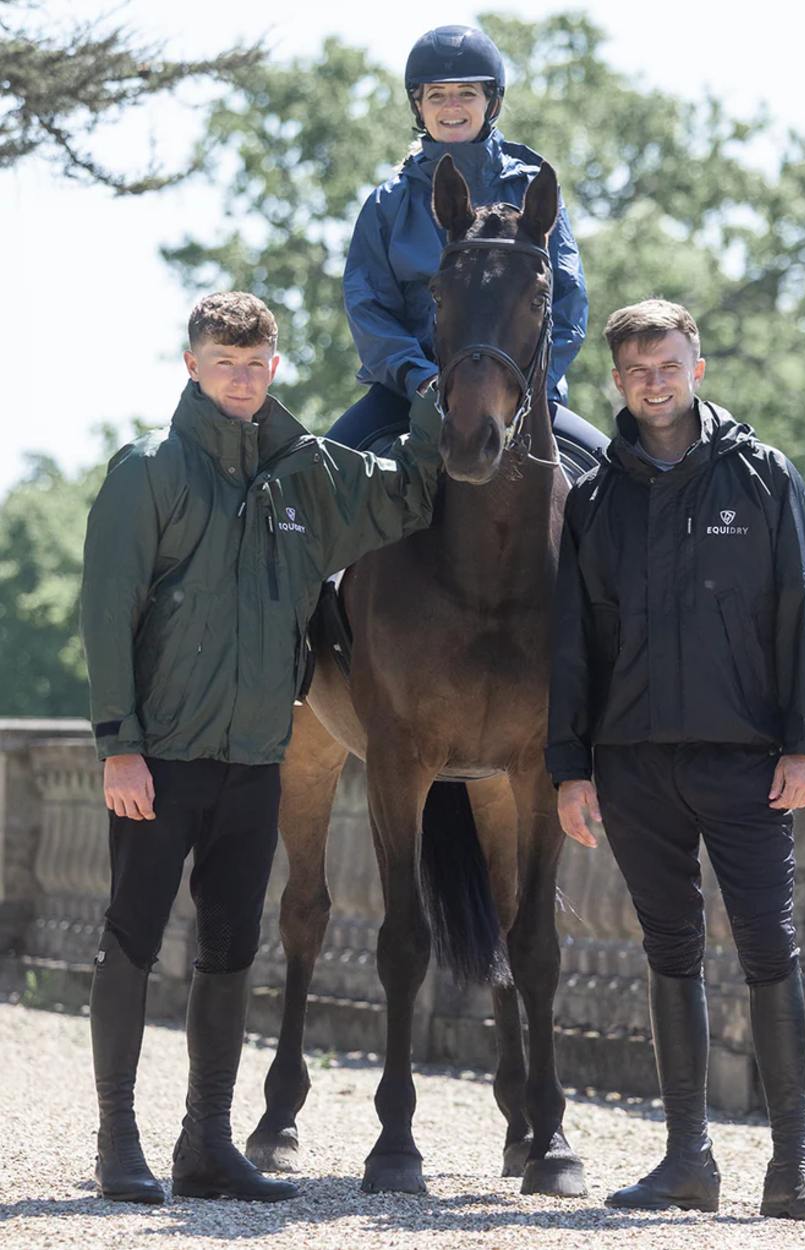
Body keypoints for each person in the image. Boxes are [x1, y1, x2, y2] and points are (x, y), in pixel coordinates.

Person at [80, 291, 442, 1205]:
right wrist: (120, 747)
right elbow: (106, 614)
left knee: (233, 946)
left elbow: (408, 496)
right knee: (130, 937)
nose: (239, 380)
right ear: (193, 366)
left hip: (255, 759)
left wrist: (444, 389)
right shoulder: (147, 471)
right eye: (221, 363)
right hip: (160, 758)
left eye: (254, 365)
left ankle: (206, 1143)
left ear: (272, 368)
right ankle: (117, 1141)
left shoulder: (305, 474)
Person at [546, 299, 805, 1223]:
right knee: (668, 950)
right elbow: (574, 643)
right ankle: (688, 1161)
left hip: (748, 761)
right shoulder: (596, 498)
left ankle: (794, 1167)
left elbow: (803, 610)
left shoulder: (763, 478)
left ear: (697, 367)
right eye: (635, 372)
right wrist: (571, 764)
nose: (653, 382)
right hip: (633, 765)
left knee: (768, 949)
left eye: (667, 365)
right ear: (617, 384)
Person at [332, 23, 605, 457]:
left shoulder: (530, 189)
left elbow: (568, 302)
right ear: (418, 107)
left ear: (491, 102)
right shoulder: (387, 204)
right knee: (322, 477)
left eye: (466, 93)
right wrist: (419, 377)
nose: (451, 106)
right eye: (436, 95)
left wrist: (525, 383)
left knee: (610, 480)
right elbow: (368, 308)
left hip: (521, 391)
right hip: (409, 393)